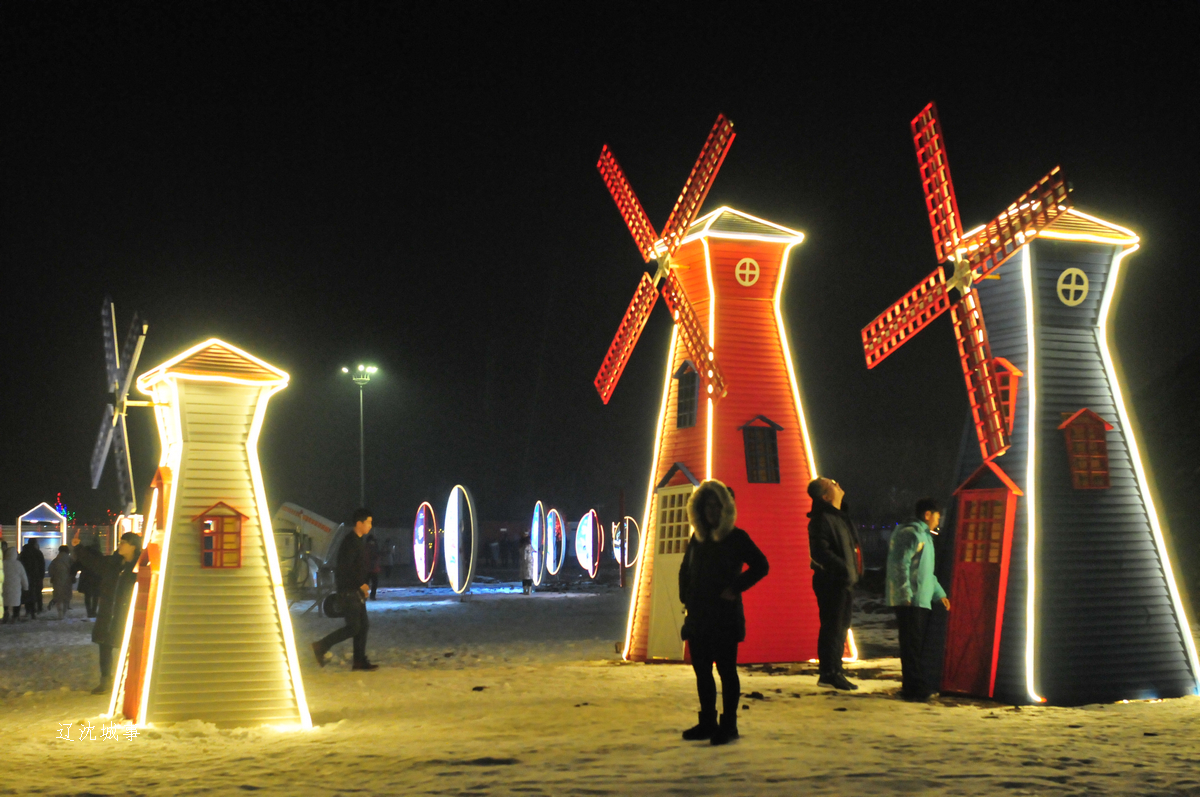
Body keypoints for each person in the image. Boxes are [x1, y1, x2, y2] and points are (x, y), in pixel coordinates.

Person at [678, 479, 769, 746]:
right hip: (698, 618)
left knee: (727, 672)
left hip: (724, 617)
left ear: (726, 508)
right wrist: (686, 595)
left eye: (717, 506)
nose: (711, 510)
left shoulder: (736, 537)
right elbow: (685, 569)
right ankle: (708, 721)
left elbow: (761, 565)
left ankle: (729, 725)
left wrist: (735, 587)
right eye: (707, 505)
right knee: (702, 672)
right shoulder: (698, 538)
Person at [886, 498, 951, 702]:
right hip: (911, 600)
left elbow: (926, 572)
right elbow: (900, 564)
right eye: (937, 516)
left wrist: (939, 594)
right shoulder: (912, 534)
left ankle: (912, 686)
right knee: (911, 644)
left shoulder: (924, 536)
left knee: (914, 644)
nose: (938, 521)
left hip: (919, 599)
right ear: (927, 515)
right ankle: (914, 688)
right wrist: (905, 593)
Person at [807, 476, 862, 691]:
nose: (837, 483)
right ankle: (830, 672)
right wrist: (844, 569)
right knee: (833, 626)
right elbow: (821, 552)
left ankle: (834, 670)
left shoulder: (839, 517)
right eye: (831, 483)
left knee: (840, 626)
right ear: (825, 496)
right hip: (832, 580)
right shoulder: (822, 519)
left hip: (843, 579)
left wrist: (852, 571)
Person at [71, 529, 142, 694]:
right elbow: (93, 562)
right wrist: (79, 547)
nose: (120, 545)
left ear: (133, 546)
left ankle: (131, 682)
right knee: (105, 645)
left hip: (125, 614)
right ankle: (106, 681)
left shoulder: (139, 567)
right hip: (107, 612)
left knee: (130, 647)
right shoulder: (113, 564)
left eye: (123, 542)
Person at [312, 508, 378, 671]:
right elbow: (346, 569)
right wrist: (359, 584)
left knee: (363, 626)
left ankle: (359, 661)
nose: (371, 525)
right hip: (348, 592)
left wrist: (363, 584)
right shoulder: (350, 542)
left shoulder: (358, 541)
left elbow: (358, 567)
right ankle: (321, 646)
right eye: (368, 522)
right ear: (359, 523)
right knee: (354, 627)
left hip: (355, 590)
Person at [19, 541, 46, 620]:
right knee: (37, 593)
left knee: (27, 593)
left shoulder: (23, 554)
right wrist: (41, 576)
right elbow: (42, 565)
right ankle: (37, 609)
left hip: (26, 576)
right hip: (36, 577)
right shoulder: (38, 553)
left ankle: (28, 610)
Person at [3, 547, 29, 623]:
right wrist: (26, 587)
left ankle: (5, 612)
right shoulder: (18, 564)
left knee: (5, 601)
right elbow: (23, 576)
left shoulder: (3, 563)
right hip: (15, 587)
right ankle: (15, 616)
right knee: (16, 602)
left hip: (4, 587)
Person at [48, 546, 75, 620]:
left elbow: (50, 569)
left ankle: (59, 611)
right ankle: (64, 612)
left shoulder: (56, 560)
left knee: (58, 597)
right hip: (67, 580)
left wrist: (53, 576)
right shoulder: (70, 559)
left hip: (57, 580)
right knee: (66, 597)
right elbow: (73, 569)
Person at [77, 539, 102, 618]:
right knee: (95, 596)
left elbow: (78, 565)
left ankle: (89, 612)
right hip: (96, 578)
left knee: (87, 596)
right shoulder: (99, 555)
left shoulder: (86, 556)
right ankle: (93, 611)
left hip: (86, 578)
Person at [364, 533, 381, 600]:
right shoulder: (374, 547)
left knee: (366, 583)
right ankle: (372, 596)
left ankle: (364, 596)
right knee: (374, 583)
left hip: (366, 568)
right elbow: (375, 556)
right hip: (373, 568)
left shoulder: (365, 547)